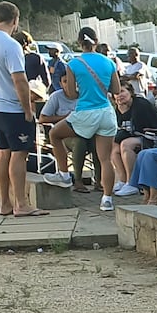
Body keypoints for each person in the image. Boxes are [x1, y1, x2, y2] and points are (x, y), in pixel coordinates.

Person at [0, 2, 46, 217]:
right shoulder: (10, 45)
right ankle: (21, 204)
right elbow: (20, 80)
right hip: (11, 107)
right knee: (20, 153)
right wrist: (27, 109)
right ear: (15, 21)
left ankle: (5, 203)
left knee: (4, 153)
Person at [46, 27, 120, 210]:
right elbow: (116, 90)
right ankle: (107, 199)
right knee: (105, 159)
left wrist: (83, 89)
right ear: (96, 41)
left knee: (55, 134)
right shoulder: (108, 62)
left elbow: (71, 94)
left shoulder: (74, 64)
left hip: (85, 112)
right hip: (106, 112)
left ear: (79, 43)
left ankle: (64, 174)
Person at [39, 68, 102, 193]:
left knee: (98, 143)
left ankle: (99, 181)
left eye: (73, 81)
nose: (69, 84)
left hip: (88, 132)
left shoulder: (85, 96)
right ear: (61, 84)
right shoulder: (56, 97)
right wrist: (65, 117)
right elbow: (42, 118)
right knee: (79, 142)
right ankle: (78, 181)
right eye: (65, 81)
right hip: (64, 136)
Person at [109, 84, 157, 201]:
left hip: (154, 136)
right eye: (116, 94)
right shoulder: (120, 107)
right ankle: (122, 180)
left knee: (125, 144)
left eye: (122, 92)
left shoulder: (140, 104)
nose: (119, 96)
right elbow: (120, 128)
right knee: (114, 146)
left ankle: (132, 183)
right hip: (138, 136)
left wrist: (124, 112)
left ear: (130, 92)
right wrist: (121, 110)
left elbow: (136, 128)